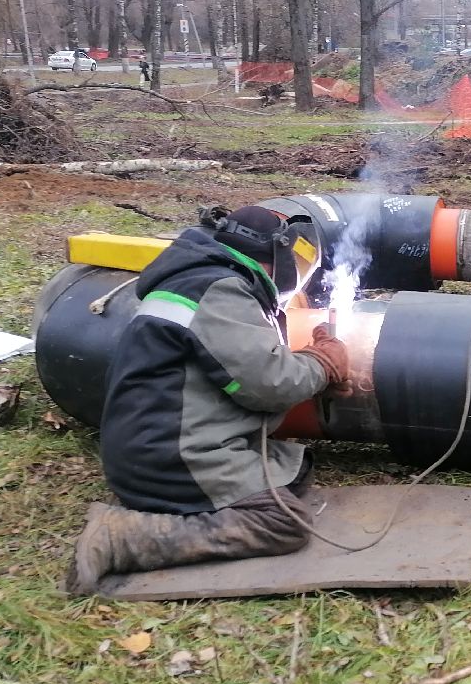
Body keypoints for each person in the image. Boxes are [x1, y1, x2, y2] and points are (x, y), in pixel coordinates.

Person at [64, 205, 350, 594]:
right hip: (170, 454)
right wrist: (322, 363)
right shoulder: (220, 291)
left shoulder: (198, 280)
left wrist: (313, 373)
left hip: (151, 444)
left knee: (295, 473)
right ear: (274, 260)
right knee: (283, 523)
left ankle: (172, 503)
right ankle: (122, 538)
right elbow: (268, 383)